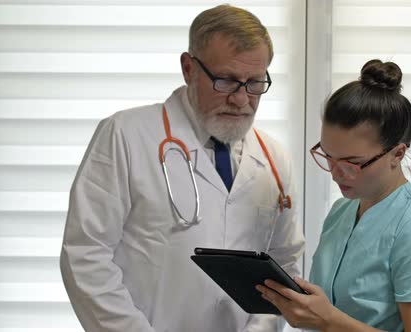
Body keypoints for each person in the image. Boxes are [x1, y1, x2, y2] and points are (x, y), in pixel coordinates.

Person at [59, 4, 304, 332]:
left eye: (255, 82)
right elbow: (86, 255)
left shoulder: (274, 158)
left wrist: (260, 328)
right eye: (226, 81)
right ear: (189, 68)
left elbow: (285, 262)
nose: (242, 99)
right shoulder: (126, 135)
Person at [257, 59, 411, 332]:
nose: (336, 174)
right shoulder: (342, 211)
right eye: (328, 156)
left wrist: (329, 322)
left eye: (352, 163)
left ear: (397, 154)